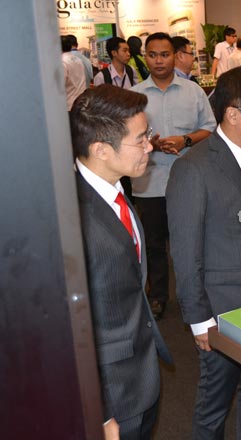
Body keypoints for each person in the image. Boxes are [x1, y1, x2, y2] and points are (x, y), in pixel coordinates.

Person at [167, 67, 241, 440]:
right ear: (234, 114)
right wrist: (200, 320)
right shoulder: (193, 168)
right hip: (223, 310)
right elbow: (185, 254)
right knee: (214, 403)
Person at [70, 85, 172, 440]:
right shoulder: (71, 219)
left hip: (140, 374)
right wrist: (99, 413)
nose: (150, 146)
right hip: (111, 393)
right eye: (141, 139)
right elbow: (72, 329)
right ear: (100, 149)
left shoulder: (116, 190)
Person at [130, 33, 216, 320]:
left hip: (189, 180)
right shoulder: (135, 94)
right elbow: (124, 136)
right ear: (145, 56)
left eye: (164, 54)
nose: (158, 60)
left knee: (192, 240)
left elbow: (210, 128)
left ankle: (193, 295)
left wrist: (185, 140)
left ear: (175, 56)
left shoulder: (193, 91)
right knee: (155, 243)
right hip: (150, 180)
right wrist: (150, 143)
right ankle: (158, 296)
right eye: (152, 55)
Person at [61, 35, 86, 111]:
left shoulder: (62, 61)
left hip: (68, 104)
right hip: (80, 102)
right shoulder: (78, 59)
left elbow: (60, 85)